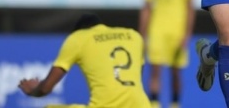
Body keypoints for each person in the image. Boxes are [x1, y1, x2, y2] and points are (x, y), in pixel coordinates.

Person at [16, 13, 150, 108]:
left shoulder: (79, 38)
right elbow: (137, 76)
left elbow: (45, 88)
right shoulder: (133, 36)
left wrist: (32, 90)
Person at [139, 0, 196, 108]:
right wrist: (142, 33)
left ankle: (175, 103)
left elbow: (189, 7)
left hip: (177, 29)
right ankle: (154, 103)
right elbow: (147, 7)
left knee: (175, 71)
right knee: (155, 69)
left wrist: (187, 33)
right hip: (157, 28)